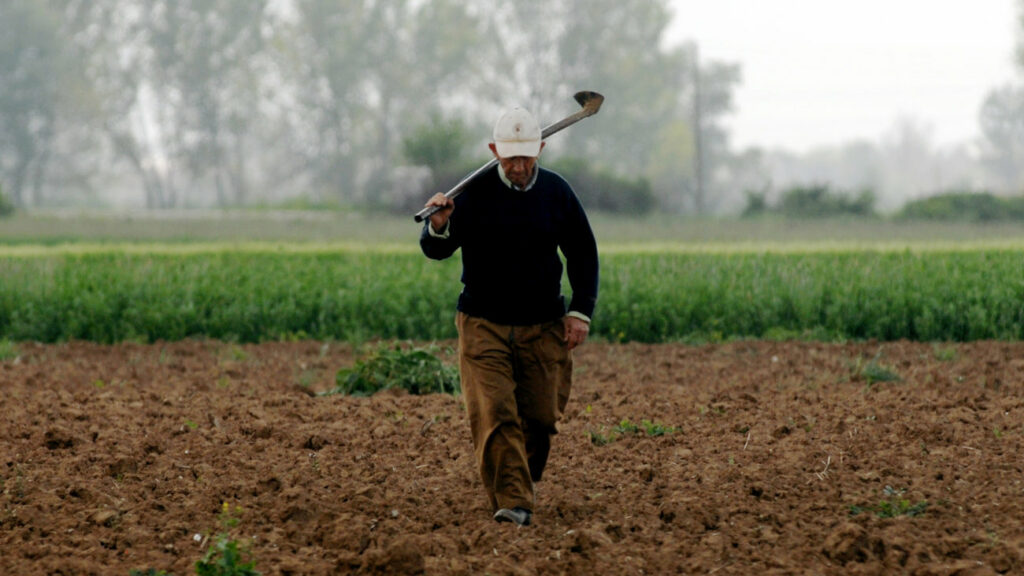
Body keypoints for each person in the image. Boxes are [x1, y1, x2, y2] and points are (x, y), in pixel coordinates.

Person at [420, 106, 599, 527]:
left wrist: (580, 312)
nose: (518, 167)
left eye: (526, 157)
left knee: (539, 419)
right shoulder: (471, 195)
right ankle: (514, 501)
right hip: (483, 324)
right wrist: (439, 225)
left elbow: (583, 254)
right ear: (493, 150)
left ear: (539, 148)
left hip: (543, 325)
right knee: (496, 412)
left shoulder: (557, 194)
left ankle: (518, 479)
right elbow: (437, 249)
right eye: (509, 158)